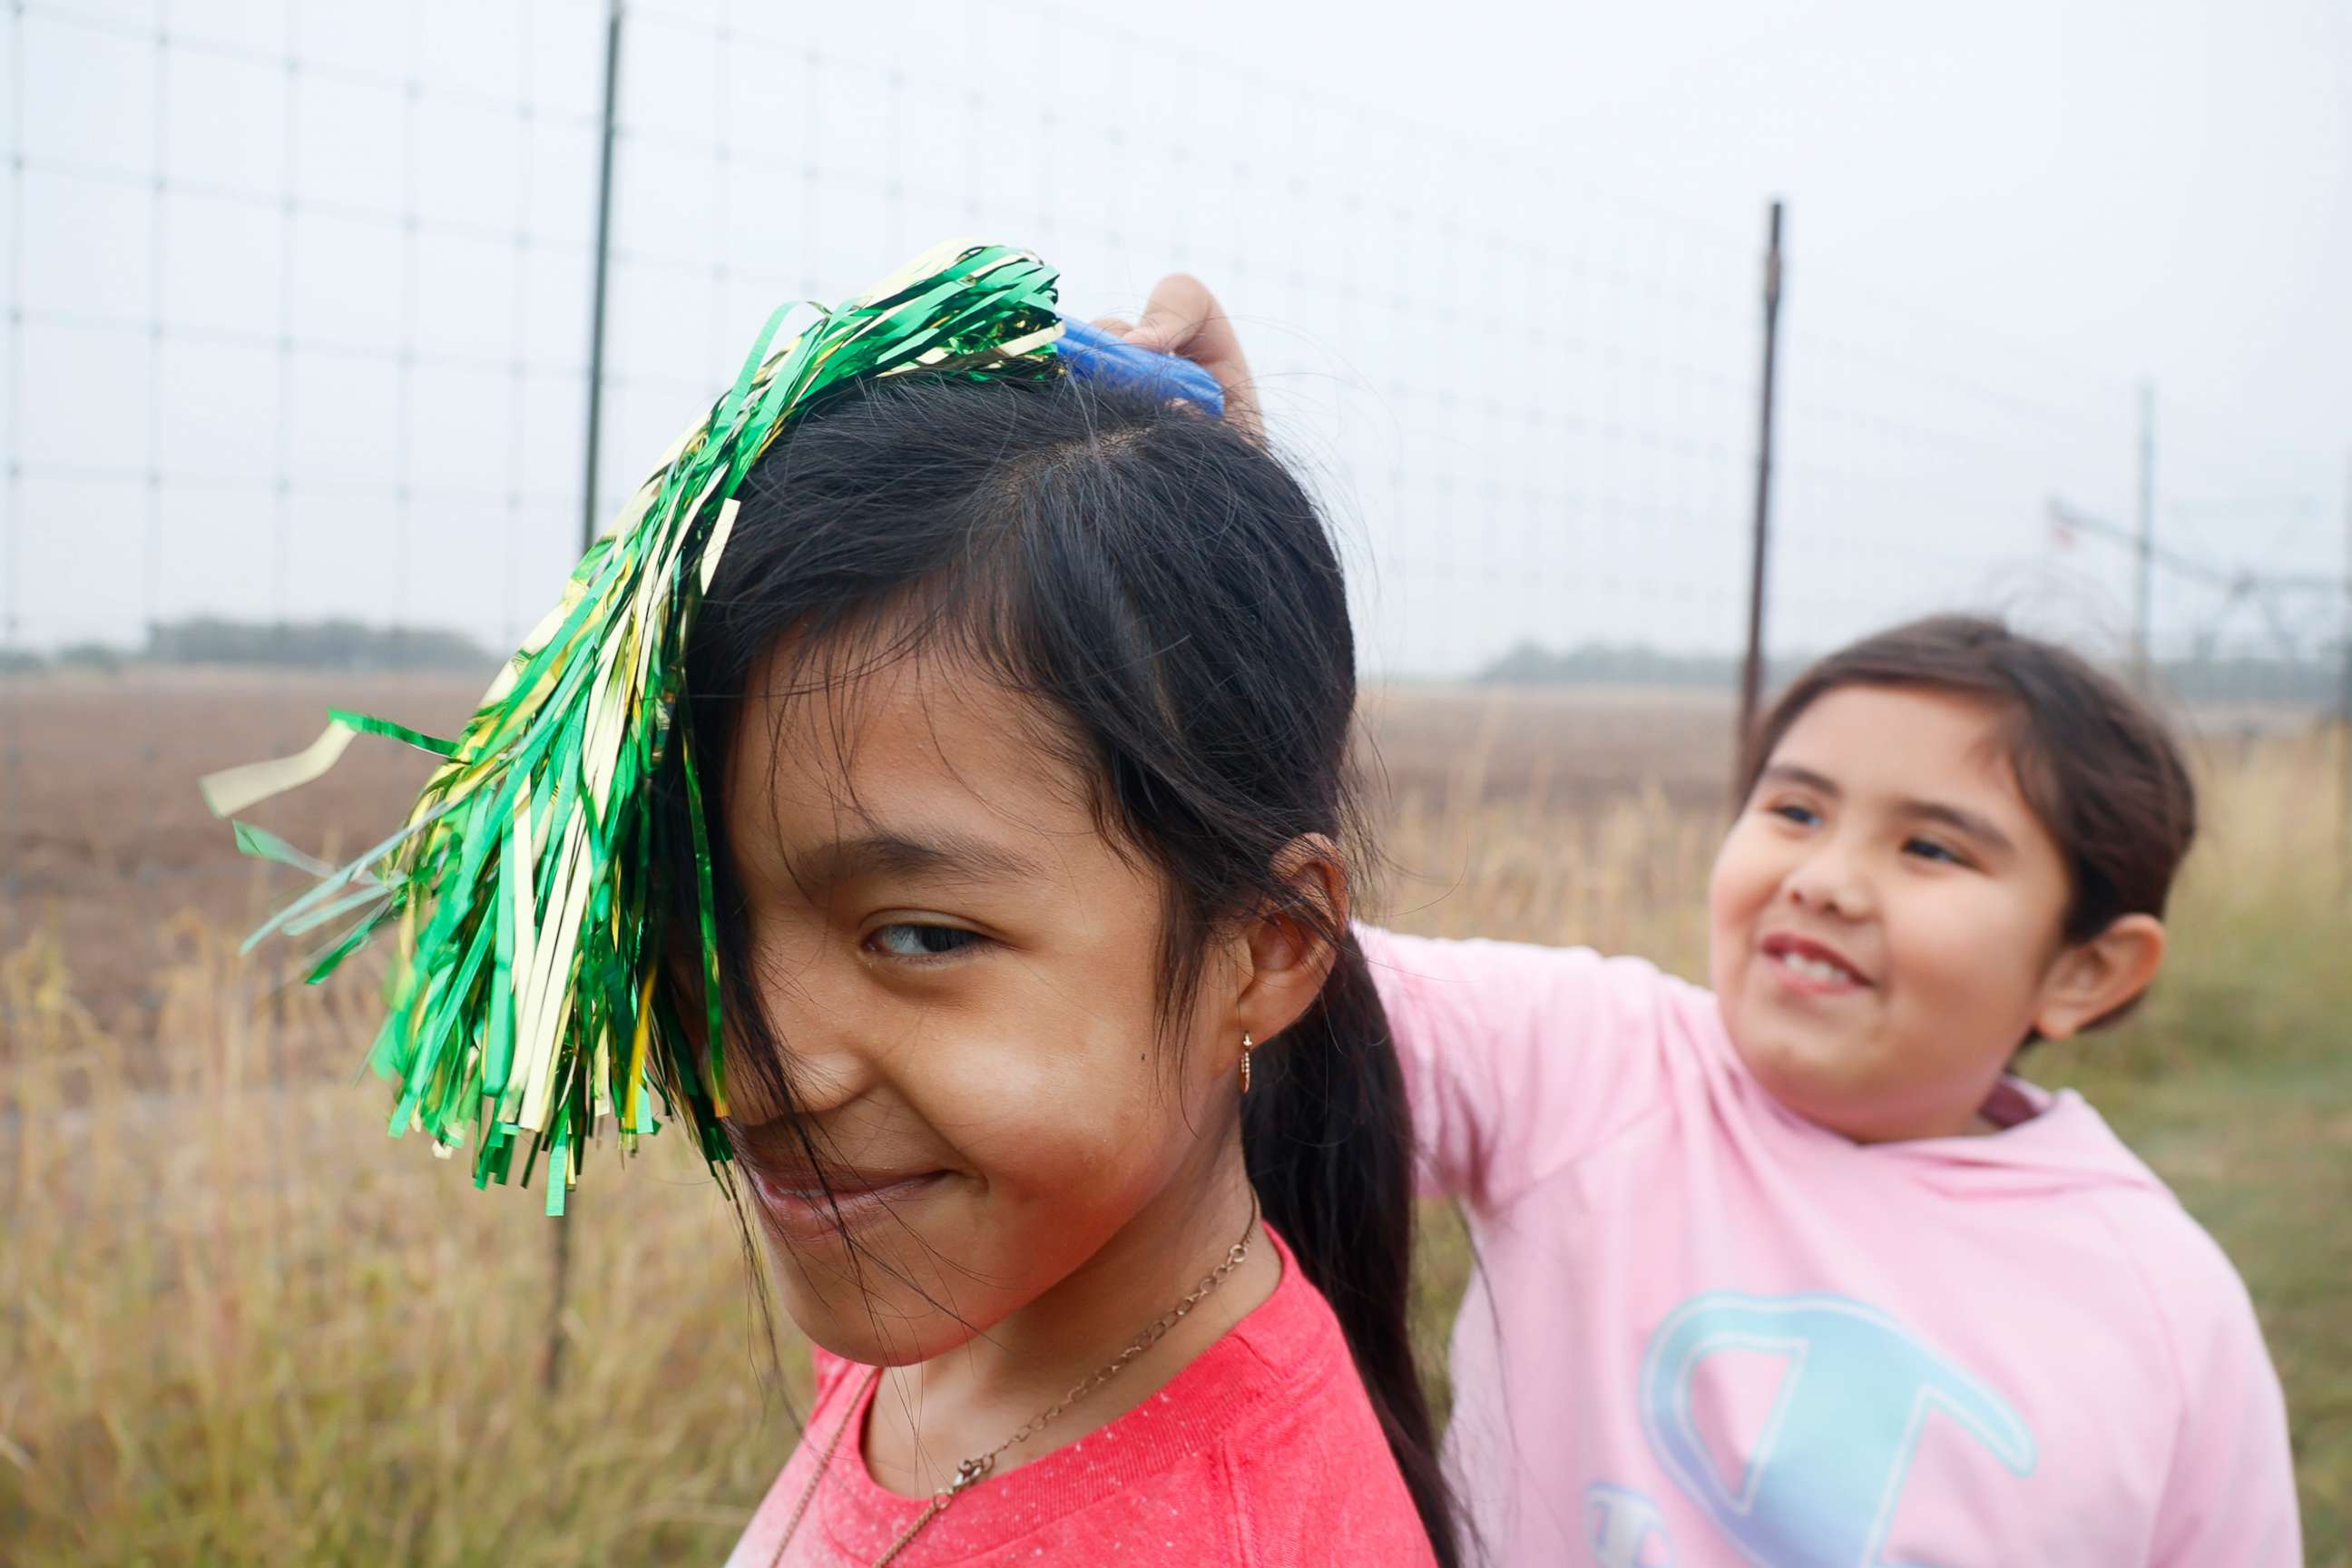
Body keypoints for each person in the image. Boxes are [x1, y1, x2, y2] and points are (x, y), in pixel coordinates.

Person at [1111, 279, 2301, 1565]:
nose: (1829, 877)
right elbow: (1263, 983)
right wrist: (1217, 584)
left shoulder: (2164, 1307)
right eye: (1795, 811)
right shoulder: (1592, 1062)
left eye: (1930, 846)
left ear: (2086, 969)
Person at [681, 274, 1461, 1564]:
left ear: (1266, 949)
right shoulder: (962, 1304)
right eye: (704, 920)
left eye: (921, 937)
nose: (745, 1069)